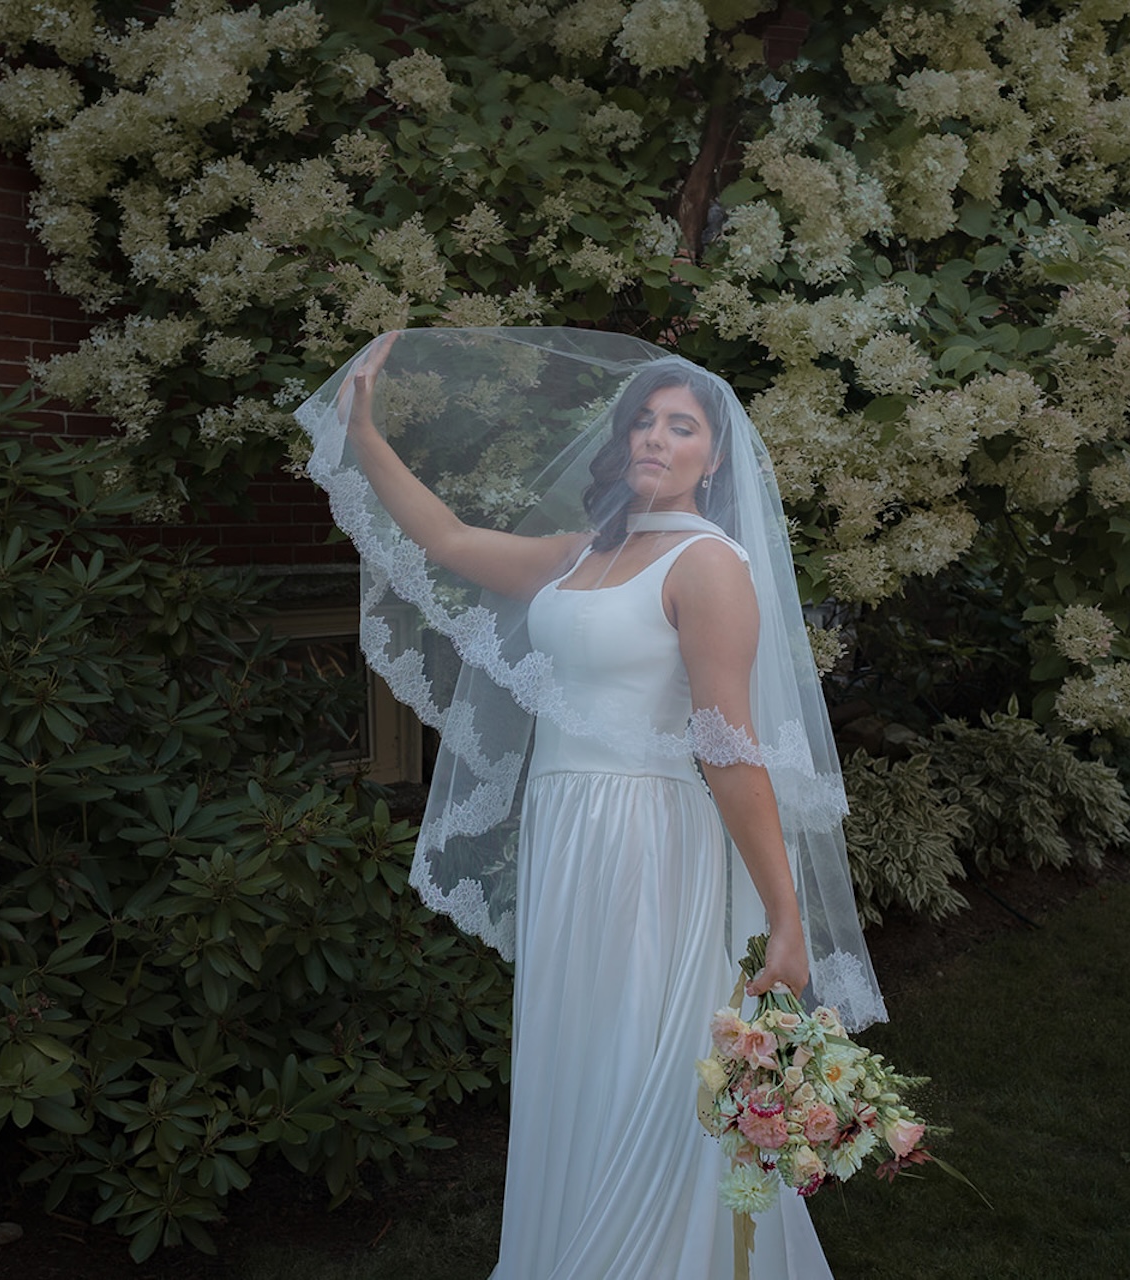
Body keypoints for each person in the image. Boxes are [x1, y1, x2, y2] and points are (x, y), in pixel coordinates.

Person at [297, 328, 883, 1280]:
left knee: (641, 1069)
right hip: (567, 834)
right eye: (643, 421)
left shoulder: (709, 566)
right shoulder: (584, 553)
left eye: (681, 426)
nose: (656, 437)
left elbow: (730, 752)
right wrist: (364, 434)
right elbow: (447, 540)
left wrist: (786, 917)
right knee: (575, 1063)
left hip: (651, 846)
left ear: (714, 454)